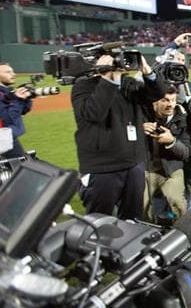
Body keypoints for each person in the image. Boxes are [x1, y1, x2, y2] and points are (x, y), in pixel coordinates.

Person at [71, 50, 166, 220]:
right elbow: (94, 113)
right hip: (103, 168)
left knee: (133, 219)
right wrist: (107, 78)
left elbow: (156, 93)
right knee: (99, 221)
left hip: (134, 163)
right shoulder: (83, 86)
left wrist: (147, 70)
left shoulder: (128, 84)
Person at [141, 86, 191, 223]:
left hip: (171, 169)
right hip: (146, 169)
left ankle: (184, 233)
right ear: (154, 102)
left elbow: (186, 152)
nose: (170, 104)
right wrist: (140, 129)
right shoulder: (141, 115)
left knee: (178, 203)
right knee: (141, 205)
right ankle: (148, 231)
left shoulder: (182, 119)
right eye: (165, 100)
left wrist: (172, 142)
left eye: (173, 100)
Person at [0, 63, 33, 157]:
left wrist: (28, 97)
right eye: (8, 72)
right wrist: (19, 99)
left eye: (12, 71)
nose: (13, 74)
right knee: (19, 166)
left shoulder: (9, 91)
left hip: (7, 135)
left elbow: (24, 110)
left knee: (20, 165)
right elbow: (9, 118)